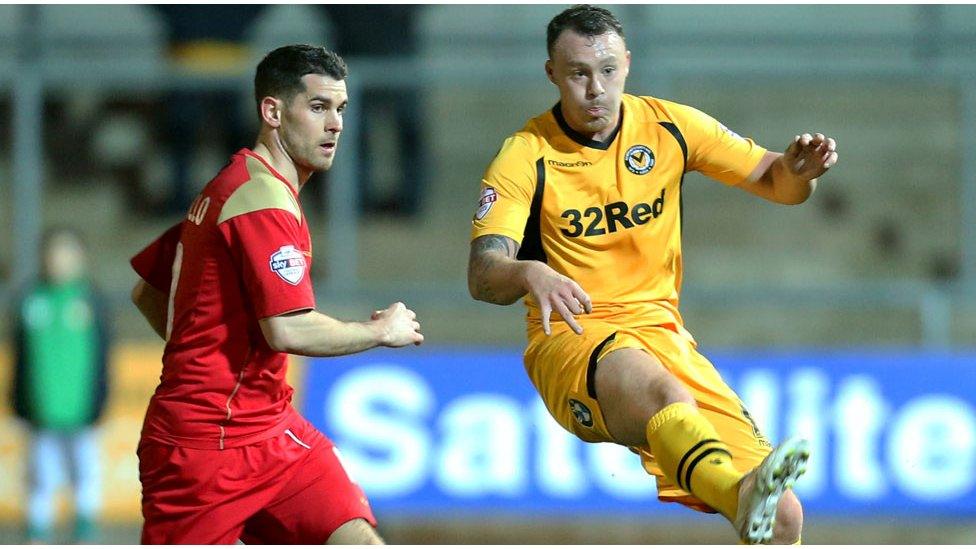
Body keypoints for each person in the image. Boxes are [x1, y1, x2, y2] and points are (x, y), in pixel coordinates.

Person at [468, 5, 837, 544]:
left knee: (785, 519)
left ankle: (743, 499)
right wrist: (529, 273)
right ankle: (739, 497)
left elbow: (777, 181)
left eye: (609, 70)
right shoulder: (526, 156)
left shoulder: (669, 126)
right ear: (552, 73)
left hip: (662, 332)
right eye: (578, 74)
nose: (596, 88)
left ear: (628, 65)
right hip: (573, 337)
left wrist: (800, 173)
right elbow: (482, 274)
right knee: (669, 398)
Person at [129, 44, 424, 544]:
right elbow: (287, 327)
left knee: (357, 539)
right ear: (272, 111)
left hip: (270, 430)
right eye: (317, 107)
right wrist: (381, 331)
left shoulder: (232, 186)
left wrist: (207, 353)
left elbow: (150, 291)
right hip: (205, 450)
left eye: (341, 109)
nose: (336, 125)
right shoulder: (261, 204)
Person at [11, 227, 110, 544]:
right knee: (40, 472)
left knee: (85, 468)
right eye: (54, 253)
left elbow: (103, 354)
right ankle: (37, 527)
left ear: (80, 258)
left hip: (82, 407)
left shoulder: (91, 300)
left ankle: (85, 526)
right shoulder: (30, 300)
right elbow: (20, 356)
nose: (59, 261)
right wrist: (18, 400)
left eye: (66, 253)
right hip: (41, 407)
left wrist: (100, 398)